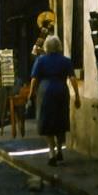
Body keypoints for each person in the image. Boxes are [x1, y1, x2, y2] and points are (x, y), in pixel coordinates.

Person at [28, 34, 80, 165]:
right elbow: (73, 79)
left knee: (47, 120)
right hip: (62, 90)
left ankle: (51, 152)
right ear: (59, 46)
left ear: (46, 46)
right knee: (60, 120)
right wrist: (77, 96)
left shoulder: (41, 60)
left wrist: (31, 93)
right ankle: (59, 149)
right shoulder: (66, 61)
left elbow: (34, 79)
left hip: (45, 91)